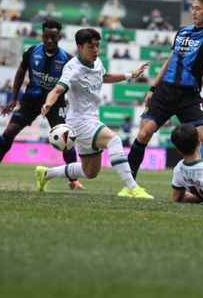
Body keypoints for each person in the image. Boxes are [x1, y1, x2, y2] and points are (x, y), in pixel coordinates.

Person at [127, 0, 203, 184]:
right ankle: (129, 184)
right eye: (192, 8)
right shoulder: (182, 31)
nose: (194, 12)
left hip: (189, 95)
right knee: (143, 134)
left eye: (198, 9)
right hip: (165, 91)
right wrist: (153, 88)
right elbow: (169, 60)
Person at [36, 28, 153, 199]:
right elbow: (58, 89)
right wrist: (48, 103)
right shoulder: (72, 68)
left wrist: (130, 75)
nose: (96, 50)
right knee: (114, 140)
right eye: (91, 46)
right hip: (80, 122)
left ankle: (46, 174)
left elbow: (104, 76)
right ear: (80, 47)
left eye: (98, 45)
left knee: (90, 171)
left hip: (91, 119)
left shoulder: (97, 62)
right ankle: (132, 188)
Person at [0, 20, 82, 188]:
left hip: (55, 102)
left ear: (59, 37)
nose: (49, 40)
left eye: (53, 37)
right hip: (31, 99)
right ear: (42, 36)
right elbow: (20, 72)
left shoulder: (68, 60)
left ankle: (73, 179)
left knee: (65, 138)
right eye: (46, 36)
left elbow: (74, 84)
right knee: (10, 131)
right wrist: (13, 99)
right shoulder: (31, 52)